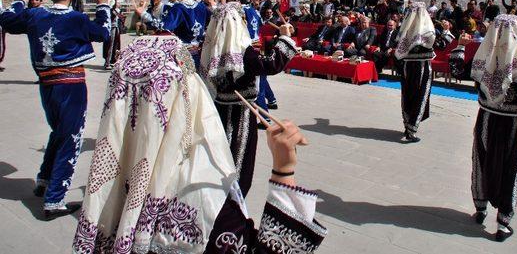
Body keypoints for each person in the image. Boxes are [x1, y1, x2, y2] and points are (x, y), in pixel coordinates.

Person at [72, 34, 326, 253]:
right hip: (235, 117)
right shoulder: (202, 204)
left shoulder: (104, 196)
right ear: (188, 97)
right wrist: (284, 169)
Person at [0, 0, 110, 219]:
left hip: (47, 84)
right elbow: (103, 33)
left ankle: (44, 179)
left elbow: (6, 20)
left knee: (58, 131)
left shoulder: (34, 15)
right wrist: (103, 6)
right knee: (71, 138)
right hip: (71, 85)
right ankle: (54, 200)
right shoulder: (77, 19)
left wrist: (19, 2)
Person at [200, 2, 297, 196]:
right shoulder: (241, 52)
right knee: (239, 167)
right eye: (241, 19)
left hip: (219, 112)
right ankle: (232, 210)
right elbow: (271, 64)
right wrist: (286, 37)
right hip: (241, 116)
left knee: (221, 160)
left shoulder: (212, 49)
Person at [468, 14, 517, 242]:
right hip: (511, 127)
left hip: (487, 120)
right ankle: (503, 224)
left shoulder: (483, 60)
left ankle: (481, 209)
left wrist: (460, 48)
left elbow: (459, 70)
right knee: (510, 168)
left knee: (483, 160)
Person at [136, 0, 211, 68]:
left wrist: (144, 15)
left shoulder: (179, 8)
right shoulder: (202, 7)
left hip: (182, 57)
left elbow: (163, 27)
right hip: (198, 55)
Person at [394, 2, 436, 143]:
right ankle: (411, 129)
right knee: (421, 95)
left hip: (407, 67)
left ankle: (408, 125)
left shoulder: (405, 30)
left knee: (407, 94)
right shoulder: (428, 30)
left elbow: (398, 49)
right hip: (421, 68)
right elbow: (438, 44)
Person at [102, 0, 125, 69]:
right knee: (110, 45)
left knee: (115, 45)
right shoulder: (110, 10)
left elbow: (121, 18)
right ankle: (107, 62)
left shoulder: (115, 10)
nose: (118, 4)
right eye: (117, 2)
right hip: (111, 28)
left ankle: (112, 61)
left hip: (115, 28)